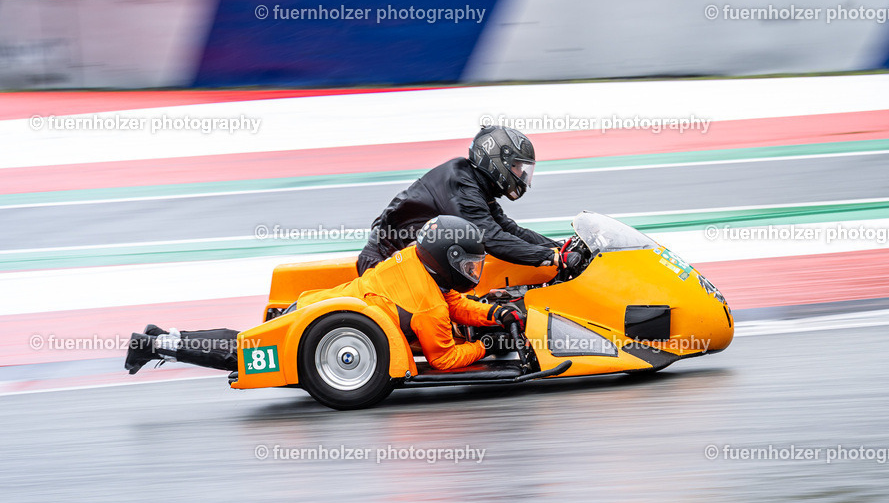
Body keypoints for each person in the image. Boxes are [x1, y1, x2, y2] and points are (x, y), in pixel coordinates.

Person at [124, 216, 525, 376]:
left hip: (316, 305)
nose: (473, 273)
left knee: (242, 338)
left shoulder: (413, 263)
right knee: (242, 352)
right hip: (318, 326)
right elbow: (445, 359)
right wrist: (487, 346)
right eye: (470, 265)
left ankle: (164, 335)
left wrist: (493, 314)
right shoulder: (430, 307)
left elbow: (455, 304)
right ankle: (155, 344)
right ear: (447, 258)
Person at [357, 125, 580, 274]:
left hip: (412, 261)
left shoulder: (474, 182)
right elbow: (492, 240)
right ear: (496, 161)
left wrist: (561, 249)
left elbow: (509, 230)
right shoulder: (461, 187)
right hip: (384, 265)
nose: (520, 174)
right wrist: (552, 259)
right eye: (516, 166)